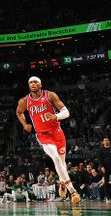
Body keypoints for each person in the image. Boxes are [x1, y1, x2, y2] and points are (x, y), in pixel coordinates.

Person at [15, 76, 80, 204]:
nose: (33, 84)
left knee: (62, 163)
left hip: (57, 133)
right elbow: (19, 112)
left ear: (40, 84)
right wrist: (24, 124)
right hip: (43, 135)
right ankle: (73, 191)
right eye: (30, 82)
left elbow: (66, 112)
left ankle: (62, 181)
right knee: (55, 158)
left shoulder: (50, 95)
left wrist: (55, 116)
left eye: (35, 82)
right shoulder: (24, 101)